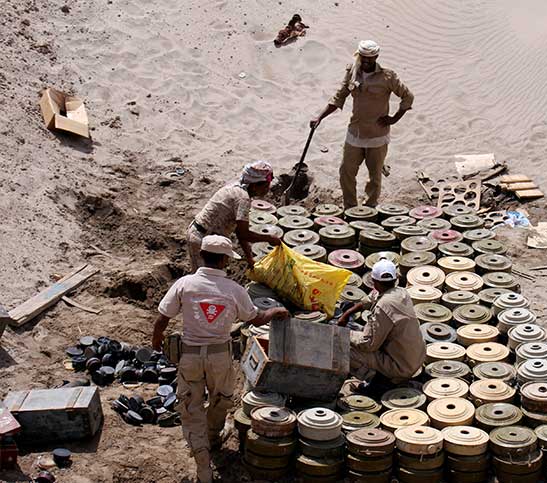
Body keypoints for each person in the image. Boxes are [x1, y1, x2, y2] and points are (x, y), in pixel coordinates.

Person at [152, 235, 289, 483]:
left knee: (190, 407)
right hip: (220, 356)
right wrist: (275, 311)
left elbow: (162, 318)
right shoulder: (234, 290)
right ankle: (213, 438)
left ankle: (202, 462)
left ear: (203, 255)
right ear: (225, 259)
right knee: (221, 399)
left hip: (190, 355)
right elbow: (255, 318)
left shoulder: (185, 284)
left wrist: (156, 341)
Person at [310, 40, 414, 209]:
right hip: (355, 133)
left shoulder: (387, 77)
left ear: (376, 57)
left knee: (374, 176)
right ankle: (350, 207)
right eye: (363, 57)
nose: (366, 61)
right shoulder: (352, 72)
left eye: (370, 58)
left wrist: (394, 118)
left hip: (377, 135)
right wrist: (319, 117)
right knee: (346, 172)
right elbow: (339, 96)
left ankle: (369, 207)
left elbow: (408, 96)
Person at [338, 260, 426, 391]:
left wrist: (342, 333)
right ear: (395, 280)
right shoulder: (401, 292)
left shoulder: (383, 306)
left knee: (343, 350)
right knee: (358, 331)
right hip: (417, 358)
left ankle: (378, 382)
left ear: (374, 281)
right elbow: (371, 299)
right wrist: (347, 313)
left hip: (401, 366)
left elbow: (368, 345)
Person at [187, 160, 281, 272]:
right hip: (201, 239)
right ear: (255, 185)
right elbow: (244, 234)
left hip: (203, 235)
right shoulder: (243, 199)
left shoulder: (237, 188)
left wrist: (250, 258)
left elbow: (240, 232)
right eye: (266, 185)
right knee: (205, 279)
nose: (267, 188)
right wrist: (269, 238)